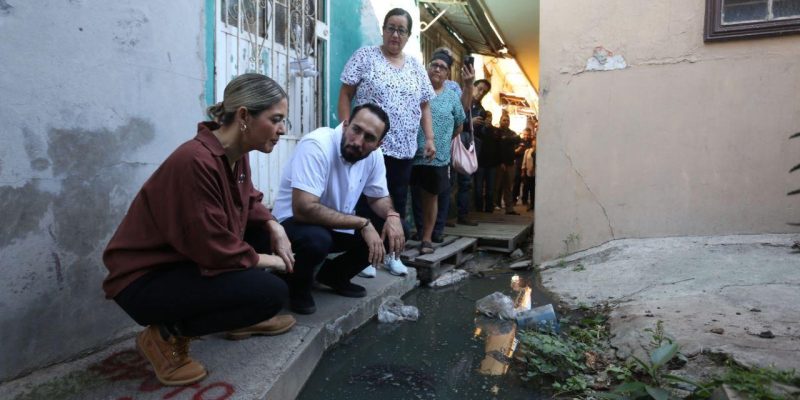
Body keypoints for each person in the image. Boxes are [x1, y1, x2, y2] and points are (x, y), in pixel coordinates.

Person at [102, 74, 296, 386]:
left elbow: (247, 198)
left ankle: (243, 321)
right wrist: (268, 261)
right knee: (270, 293)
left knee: (273, 234)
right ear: (244, 116)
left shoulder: (236, 154)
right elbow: (213, 247)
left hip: (186, 261)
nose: (282, 130)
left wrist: (274, 225)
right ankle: (164, 336)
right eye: (276, 120)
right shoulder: (195, 161)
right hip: (145, 280)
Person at [271, 103, 405, 314]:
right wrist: (362, 223)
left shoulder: (373, 156)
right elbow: (303, 209)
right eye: (356, 130)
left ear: (379, 144)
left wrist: (393, 215)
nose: (358, 141)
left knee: (392, 229)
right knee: (317, 239)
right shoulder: (317, 144)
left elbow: (378, 197)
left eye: (369, 138)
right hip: (293, 226)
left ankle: (333, 275)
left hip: (334, 225)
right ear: (345, 125)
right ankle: (296, 285)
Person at [338, 7, 435, 276]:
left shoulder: (416, 66)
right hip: (368, 147)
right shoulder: (366, 56)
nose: (395, 34)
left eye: (401, 30)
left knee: (395, 200)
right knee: (364, 200)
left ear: (408, 35)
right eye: (390, 28)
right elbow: (346, 92)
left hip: (402, 148)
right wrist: (346, 127)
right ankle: (364, 256)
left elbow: (425, 105)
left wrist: (429, 138)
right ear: (383, 30)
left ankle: (393, 254)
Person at [410, 50, 466, 254]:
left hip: (438, 156)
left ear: (447, 74)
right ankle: (417, 231)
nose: (437, 69)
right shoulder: (417, 89)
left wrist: (442, 140)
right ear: (428, 67)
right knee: (414, 195)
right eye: (434, 65)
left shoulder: (452, 96)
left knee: (431, 195)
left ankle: (427, 238)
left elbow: (460, 125)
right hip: (411, 152)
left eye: (442, 67)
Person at [495, 113, 520, 215]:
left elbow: (518, 139)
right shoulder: (496, 132)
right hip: (499, 163)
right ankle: (491, 206)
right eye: (504, 120)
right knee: (496, 186)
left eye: (508, 120)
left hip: (510, 163)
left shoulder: (511, 133)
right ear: (500, 121)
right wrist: (501, 162)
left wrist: (506, 140)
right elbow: (498, 148)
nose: (506, 122)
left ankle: (509, 209)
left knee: (508, 187)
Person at [474, 106, 498, 212]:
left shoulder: (495, 131)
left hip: (492, 164)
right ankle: (479, 209)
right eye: (487, 117)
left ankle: (489, 209)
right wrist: (484, 128)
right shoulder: (478, 130)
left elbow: (498, 146)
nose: (489, 119)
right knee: (478, 189)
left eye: (490, 117)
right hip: (480, 163)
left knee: (490, 189)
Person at [513, 128, 533, 205]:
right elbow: (514, 153)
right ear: (522, 134)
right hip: (518, 165)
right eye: (525, 134)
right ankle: (514, 199)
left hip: (527, 166)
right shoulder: (518, 141)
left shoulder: (532, 143)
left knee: (526, 184)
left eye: (528, 135)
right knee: (516, 183)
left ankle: (524, 200)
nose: (526, 136)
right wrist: (519, 149)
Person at [522, 132, 537, 211]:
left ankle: (533, 204)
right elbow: (524, 162)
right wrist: (523, 171)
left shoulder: (540, 152)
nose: (534, 143)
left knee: (534, 190)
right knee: (527, 188)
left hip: (536, 174)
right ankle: (527, 203)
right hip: (528, 173)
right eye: (534, 142)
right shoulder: (527, 151)